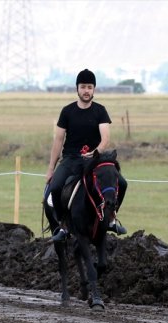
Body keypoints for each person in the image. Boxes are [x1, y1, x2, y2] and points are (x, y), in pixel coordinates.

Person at [45, 68, 127, 242]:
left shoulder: (100, 111)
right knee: (55, 188)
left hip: (94, 160)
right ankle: (63, 225)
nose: (86, 90)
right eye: (83, 87)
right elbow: (58, 141)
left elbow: (105, 138)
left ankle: (111, 218)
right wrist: (51, 168)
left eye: (90, 87)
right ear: (77, 89)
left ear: (94, 89)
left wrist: (95, 152)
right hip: (70, 159)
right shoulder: (67, 111)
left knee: (122, 183)